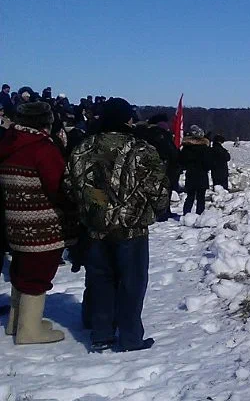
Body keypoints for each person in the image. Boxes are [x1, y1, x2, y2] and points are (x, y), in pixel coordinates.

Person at [63, 97, 168, 352]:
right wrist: (154, 209)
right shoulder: (141, 149)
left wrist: (95, 205)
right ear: (126, 119)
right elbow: (158, 189)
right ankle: (131, 338)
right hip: (131, 227)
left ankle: (101, 333)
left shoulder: (83, 147)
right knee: (132, 283)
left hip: (95, 226)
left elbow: (69, 186)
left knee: (100, 279)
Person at [0, 102, 78, 345]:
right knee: (38, 273)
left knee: (21, 270)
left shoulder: (8, 143)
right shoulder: (42, 148)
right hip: (41, 224)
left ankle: (17, 322)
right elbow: (58, 186)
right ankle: (30, 330)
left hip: (15, 221)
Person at [134, 114, 179, 221]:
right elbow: (171, 151)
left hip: (145, 165)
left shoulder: (143, 133)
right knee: (164, 189)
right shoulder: (163, 135)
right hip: (164, 165)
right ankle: (163, 212)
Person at [179, 125, 213, 215]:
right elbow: (209, 163)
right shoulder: (205, 148)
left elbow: (181, 161)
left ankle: (186, 214)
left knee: (190, 196)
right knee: (201, 197)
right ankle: (200, 215)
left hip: (190, 174)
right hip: (202, 174)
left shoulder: (186, 148)